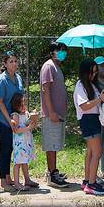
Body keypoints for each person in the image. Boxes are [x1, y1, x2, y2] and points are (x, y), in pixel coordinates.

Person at [74, 58, 104, 195]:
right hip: (88, 120)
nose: (93, 75)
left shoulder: (91, 84)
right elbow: (84, 106)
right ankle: (92, 184)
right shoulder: (80, 85)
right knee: (97, 152)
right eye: (91, 72)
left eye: (95, 72)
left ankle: (87, 180)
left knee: (90, 152)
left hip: (94, 119)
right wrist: (100, 99)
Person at [38, 41, 71, 188]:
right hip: (51, 114)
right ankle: (52, 174)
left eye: (64, 50)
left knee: (55, 143)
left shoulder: (57, 67)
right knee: (51, 144)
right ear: (52, 52)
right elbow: (46, 90)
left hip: (58, 113)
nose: (63, 53)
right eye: (60, 50)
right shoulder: (48, 66)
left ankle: (52, 171)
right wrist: (51, 112)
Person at [0, 51, 25, 191]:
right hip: (3, 119)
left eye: (15, 61)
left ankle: (8, 177)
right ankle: (2, 181)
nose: (14, 64)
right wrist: (9, 120)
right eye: (11, 61)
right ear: (5, 64)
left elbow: (20, 98)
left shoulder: (18, 78)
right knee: (5, 148)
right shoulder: (1, 80)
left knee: (12, 148)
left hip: (15, 118)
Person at [9, 93, 38, 190]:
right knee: (17, 163)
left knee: (24, 161)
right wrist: (28, 127)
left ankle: (27, 179)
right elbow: (16, 130)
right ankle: (17, 183)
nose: (24, 106)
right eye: (21, 105)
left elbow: (28, 123)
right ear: (16, 106)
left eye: (25, 104)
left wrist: (33, 120)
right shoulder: (15, 115)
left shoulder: (26, 114)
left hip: (26, 142)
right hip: (19, 144)